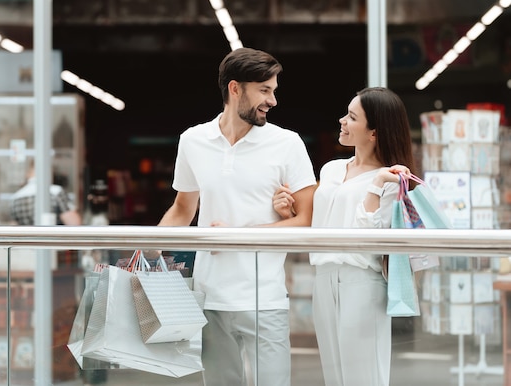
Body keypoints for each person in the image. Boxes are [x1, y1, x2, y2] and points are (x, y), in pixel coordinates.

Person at [158, 47, 317, 386]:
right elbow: (183, 209)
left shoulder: (287, 143)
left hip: (265, 296)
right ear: (235, 88)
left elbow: (306, 221)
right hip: (209, 296)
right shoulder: (193, 140)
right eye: (264, 90)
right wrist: (146, 249)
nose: (272, 100)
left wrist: (236, 233)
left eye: (273, 90)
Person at [273, 87, 416, 386]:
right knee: (334, 375)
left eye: (352, 117)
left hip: (361, 280)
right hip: (323, 277)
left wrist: (377, 184)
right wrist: (288, 210)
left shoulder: (391, 178)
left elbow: (368, 240)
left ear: (374, 132)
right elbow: (318, 221)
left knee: (363, 377)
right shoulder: (332, 170)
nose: (342, 121)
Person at [10, 162, 82, 226]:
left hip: (28, 240)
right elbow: (74, 223)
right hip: (52, 239)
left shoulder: (16, 197)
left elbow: (14, 227)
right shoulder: (56, 192)